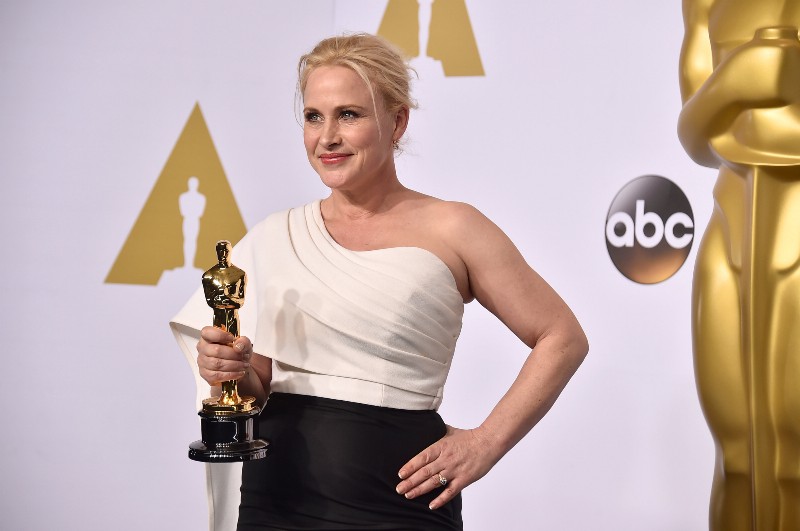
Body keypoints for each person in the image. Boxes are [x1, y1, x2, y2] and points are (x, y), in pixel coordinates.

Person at [172, 33, 588, 530]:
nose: (327, 136)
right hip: (275, 505)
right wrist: (231, 370)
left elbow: (562, 338)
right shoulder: (272, 237)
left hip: (400, 506)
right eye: (313, 116)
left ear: (397, 122)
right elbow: (257, 387)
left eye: (349, 114)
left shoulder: (454, 228)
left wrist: (486, 443)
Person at [678, 4, 800, 530]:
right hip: (733, 226)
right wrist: (735, 83)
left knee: (792, 454)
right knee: (739, 454)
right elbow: (695, 135)